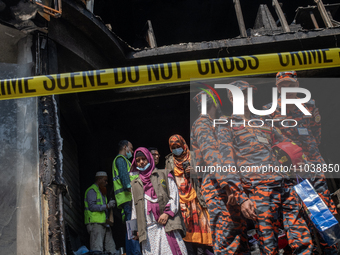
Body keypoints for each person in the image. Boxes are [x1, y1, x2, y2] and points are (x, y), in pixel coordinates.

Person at [220, 80, 313, 255]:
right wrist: (241, 198)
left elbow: (287, 146)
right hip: (259, 190)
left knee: (301, 235)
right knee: (268, 243)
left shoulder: (262, 121)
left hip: (285, 186)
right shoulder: (227, 125)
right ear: (232, 98)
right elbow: (227, 163)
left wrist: (304, 168)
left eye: (249, 93)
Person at [263, 71, 338, 254]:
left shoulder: (309, 106)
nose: (287, 88)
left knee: (324, 216)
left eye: (290, 84)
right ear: (278, 88)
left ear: (297, 85)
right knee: (297, 218)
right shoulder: (269, 111)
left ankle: (332, 250)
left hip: (313, 170)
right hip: (292, 174)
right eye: (283, 86)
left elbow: (316, 136)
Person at [191, 89, 251, 255]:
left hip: (228, 186)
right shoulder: (202, 124)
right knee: (227, 241)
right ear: (214, 103)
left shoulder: (214, 123)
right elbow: (212, 156)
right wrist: (227, 185)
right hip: (218, 188)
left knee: (240, 239)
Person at [130, 147, 188, 255]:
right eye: (138, 161)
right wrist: (134, 231)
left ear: (149, 159)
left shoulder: (164, 175)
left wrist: (167, 213)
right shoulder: (135, 184)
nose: (141, 162)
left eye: (143, 159)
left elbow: (174, 196)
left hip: (166, 226)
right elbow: (134, 208)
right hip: (148, 231)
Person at [165, 134, 213, 255]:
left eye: (178, 146)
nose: (176, 149)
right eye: (173, 147)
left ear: (183, 144)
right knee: (186, 232)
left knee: (201, 229)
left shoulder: (194, 155)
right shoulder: (169, 160)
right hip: (181, 202)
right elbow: (168, 181)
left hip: (196, 198)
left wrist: (195, 172)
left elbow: (208, 173)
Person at [112, 140, 141, 255]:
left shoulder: (123, 161)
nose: (132, 151)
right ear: (125, 147)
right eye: (131, 148)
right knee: (133, 227)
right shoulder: (121, 160)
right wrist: (134, 193)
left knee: (130, 228)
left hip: (126, 199)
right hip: (128, 198)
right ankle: (136, 252)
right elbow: (126, 181)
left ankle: (130, 252)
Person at [84, 171, 117, 253]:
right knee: (97, 249)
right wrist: (107, 206)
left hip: (104, 223)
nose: (106, 183)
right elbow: (92, 207)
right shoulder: (92, 191)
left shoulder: (102, 192)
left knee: (111, 248)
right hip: (95, 224)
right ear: (99, 179)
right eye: (105, 180)